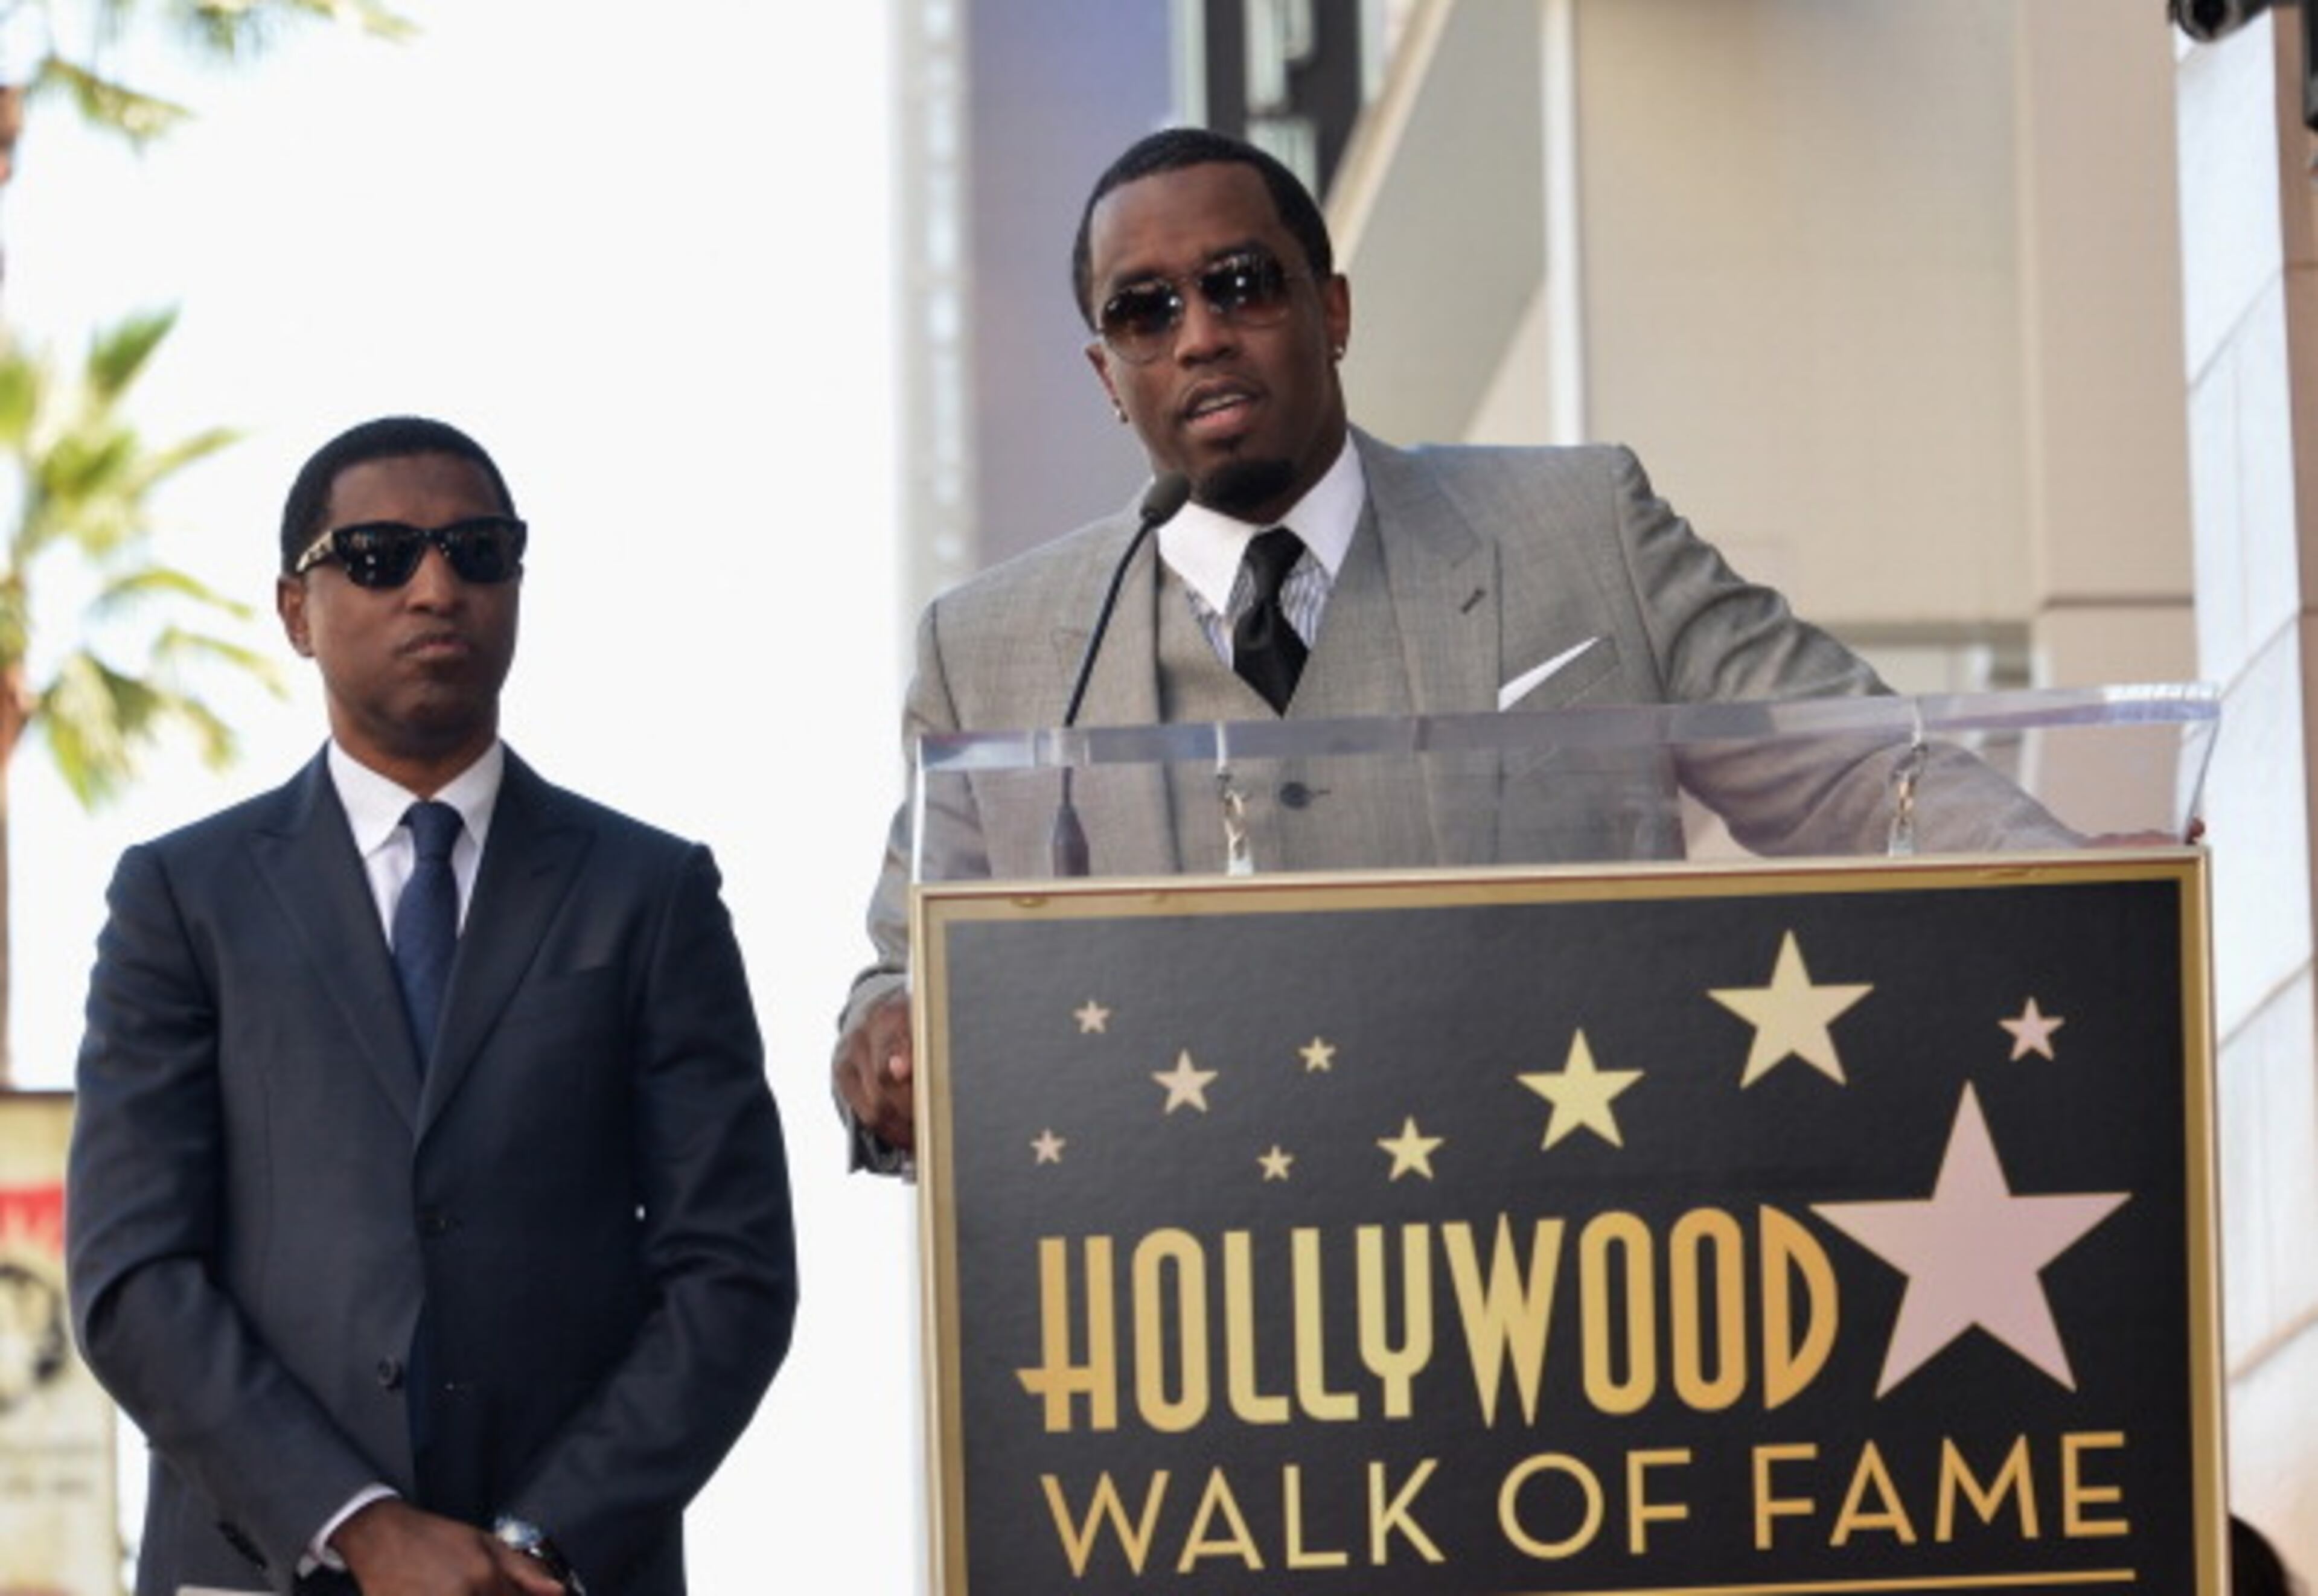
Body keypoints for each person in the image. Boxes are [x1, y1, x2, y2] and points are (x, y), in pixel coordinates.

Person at [832, 126, 2074, 1172]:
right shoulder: (991, 650)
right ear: (1109, 375)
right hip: (1200, 1305)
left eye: (1241, 284)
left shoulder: (1582, 529)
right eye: (1144, 312)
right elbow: (904, 975)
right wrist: (885, 1042)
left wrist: (2089, 895)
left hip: (1564, 1253)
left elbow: (1858, 769)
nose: (1199, 334)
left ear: (1331, 309)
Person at [66, 416, 797, 1595]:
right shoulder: (183, 898)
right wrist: (359, 1524)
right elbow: (132, 1275)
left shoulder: (649, 891)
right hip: (263, 1566)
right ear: (295, 610)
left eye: (478, 550)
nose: (436, 587)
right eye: (378, 556)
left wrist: (541, 1542)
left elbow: (733, 1271)